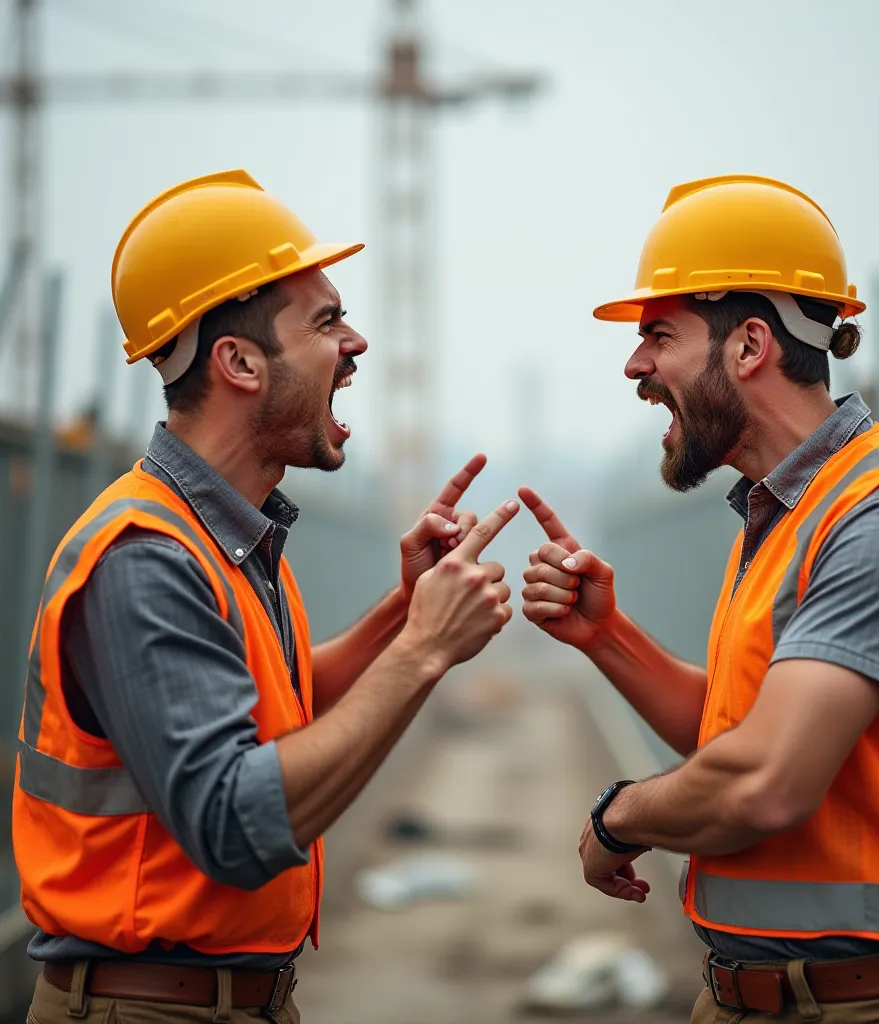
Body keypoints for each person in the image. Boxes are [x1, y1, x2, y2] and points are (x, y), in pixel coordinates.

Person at [14, 169, 518, 1023]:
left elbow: (274, 710)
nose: (355, 343)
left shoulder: (222, 533)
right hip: (147, 1005)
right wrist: (425, 648)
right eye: (326, 321)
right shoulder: (146, 558)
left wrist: (405, 610)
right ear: (239, 361)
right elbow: (233, 822)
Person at [520, 175, 879, 1023]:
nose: (635, 365)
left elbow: (765, 783)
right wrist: (606, 638)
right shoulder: (787, 512)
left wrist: (620, 817)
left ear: (749, 347)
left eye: (659, 335)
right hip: (758, 999)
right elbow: (739, 732)